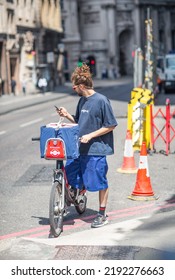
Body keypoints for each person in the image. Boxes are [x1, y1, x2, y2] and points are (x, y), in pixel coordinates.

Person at [57, 63, 118, 228]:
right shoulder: (82, 101)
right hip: (79, 148)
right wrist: (67, 115)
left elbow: (111, 124)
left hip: (96, 149)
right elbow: (80, 121)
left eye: (75, 87)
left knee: (98, 182)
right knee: (70, 173)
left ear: (82, 86)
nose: (74, 89)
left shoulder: (101, 101)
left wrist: (90, 135)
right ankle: (77, 195)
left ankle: (102, 214)